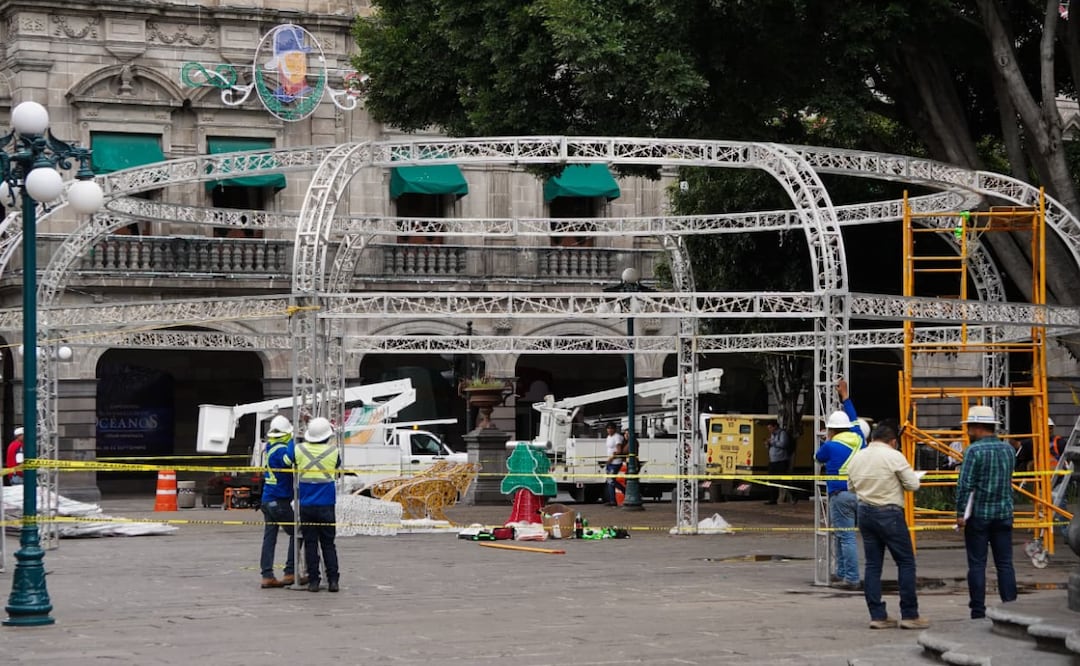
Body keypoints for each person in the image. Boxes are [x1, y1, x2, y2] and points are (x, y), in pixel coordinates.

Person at [847, 421, 928, 630]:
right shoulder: (894, 456)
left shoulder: (857, 457)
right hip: (889, 513)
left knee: (873, 565)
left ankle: (877, 615)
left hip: (864, 512)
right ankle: (909, 614)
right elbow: (913, 484)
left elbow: (851, 487)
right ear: (893, 441)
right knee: (905, 562)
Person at [955, 405, 1017, 620]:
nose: (967, 431)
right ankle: (1011, 608)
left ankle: (978, 611)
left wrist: (960, 513)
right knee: (1005, 564)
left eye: (969, 427)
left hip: (979, 515)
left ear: (978, 427)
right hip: (1004, 513)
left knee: (977, 564)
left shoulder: (973, 451)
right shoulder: (1008, 450)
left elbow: (965, 485)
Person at [813, 379, 865, 589]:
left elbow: (818, 457)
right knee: (844, 536)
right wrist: (846, 398)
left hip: (839, 495)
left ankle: (851, 577)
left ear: (831, 430)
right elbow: (854, 418)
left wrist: (825, 441)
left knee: (845, 537)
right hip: (860, 494)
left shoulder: (831, 445)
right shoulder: (859, 439)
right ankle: (841, 573)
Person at [295, 416, 341, 593]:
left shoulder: (299, 450)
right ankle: (333, 581)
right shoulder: (334, 451)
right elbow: (337, 465)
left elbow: (289, 460)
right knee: (328, 544)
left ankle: (313, 581)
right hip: (327, 505)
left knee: (310, 544)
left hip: (307, 505)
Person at [259, 415, 302, 589]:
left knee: (270, 537)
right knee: (298, 532)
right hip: (279, 501)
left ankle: (267, 575)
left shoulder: (270, 446)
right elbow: (289, 459)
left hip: (268, 499)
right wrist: (294, 440)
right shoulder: (280, 450)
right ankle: (290, 572)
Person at [763, 420, 792, 505]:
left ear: (775, 426)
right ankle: (773, 499)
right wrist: (768, 444)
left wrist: (772, 442)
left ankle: (794, 494)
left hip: (781, 460)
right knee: (771, 480)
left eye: (770, 428)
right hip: (772, 461)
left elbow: (783, 444)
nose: (769, 430)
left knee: (782, 480)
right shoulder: (772, 434)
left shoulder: (782, 433)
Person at [603, 423, 625, 506]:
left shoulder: (617, 437)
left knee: (611, 480)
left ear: (614, 429)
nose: (609, 430)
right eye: (608, 428)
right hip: (610, 461)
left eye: (611, 428)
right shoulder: (608, 437)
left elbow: (619, 451)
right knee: (610, 481)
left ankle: (614, 499)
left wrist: (611, 458)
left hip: (615, 462)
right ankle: (612, 499)